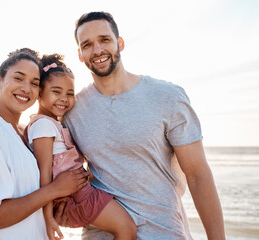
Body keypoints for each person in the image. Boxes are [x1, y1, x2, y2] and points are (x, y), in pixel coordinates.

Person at [55, 12, 226, 239]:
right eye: (87, 45)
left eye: (104, 40)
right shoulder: (72, 111)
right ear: (80, 54)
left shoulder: (167, 96)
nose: (97, 50)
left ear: (120, 43)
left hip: (163, 232)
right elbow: (64, 169)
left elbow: (198, 175)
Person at [0, 48, 88, 240]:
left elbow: (31, 195)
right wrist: (54, 190)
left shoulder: (25, 132)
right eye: (18, 78)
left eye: (34, 83)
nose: (26, 88)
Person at [23, 53, 137, 240]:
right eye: (56, 91)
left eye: (69, 93)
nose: (64, 99)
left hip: (79, 193)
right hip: (78, 196)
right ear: (39, 93)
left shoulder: (52, 123)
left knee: (126, 227)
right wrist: (47, 217)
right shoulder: (43, 126)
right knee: (127, 229)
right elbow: (44, 173)